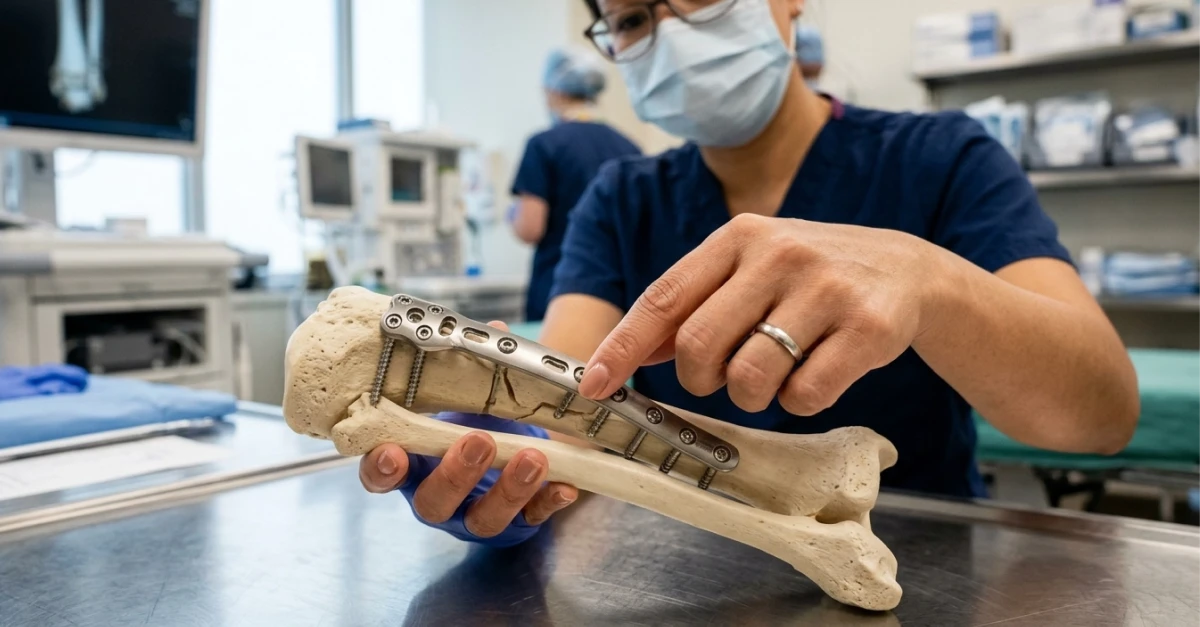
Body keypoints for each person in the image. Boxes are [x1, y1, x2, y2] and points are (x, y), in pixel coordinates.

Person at [359, 0, 1139, 546]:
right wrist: (502, 452)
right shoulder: (624, 199)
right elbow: (570, 415)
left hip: (922, 556)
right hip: (679, 565)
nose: (672, 30)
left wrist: (925, 282)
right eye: (632, 18)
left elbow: (1101, 413)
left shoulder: (941, 161)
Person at [508, 46, 642, 322]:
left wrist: (512, 215)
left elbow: (530, 228)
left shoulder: (544, 144)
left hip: (560, 294)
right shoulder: (629, 147)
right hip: (623, 298)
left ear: (555, 91)